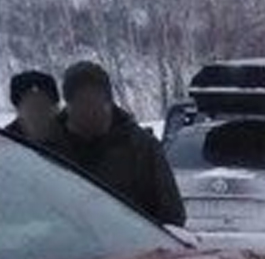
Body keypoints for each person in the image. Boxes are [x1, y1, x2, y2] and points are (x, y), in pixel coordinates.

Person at [45, 60, 186, 226]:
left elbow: (172, 215)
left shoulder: (141, 148)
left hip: (135, 247)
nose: (93, 114)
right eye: (85, 105)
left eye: (99, 105)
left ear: (109, 102)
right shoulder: (48, 151)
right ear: (69, 107)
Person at [0, 70, 60, 146]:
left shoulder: (71, 143)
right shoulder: (3, 143)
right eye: (31, 106)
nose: (38, 113)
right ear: (18, 109)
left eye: (43, 104)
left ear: (55, 108)